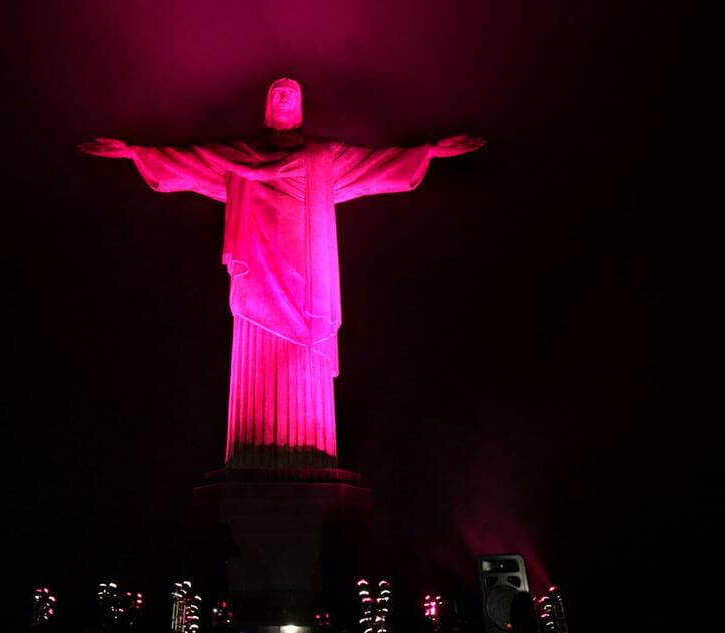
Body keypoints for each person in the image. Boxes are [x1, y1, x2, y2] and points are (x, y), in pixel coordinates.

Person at [80, 78, 484, 468]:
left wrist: (426, 152)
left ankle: (309, 456)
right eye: (278, 92)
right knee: (256, 348)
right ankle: (253, 454)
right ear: (268, 105)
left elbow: (376, 165)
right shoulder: (241, 153)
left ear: (301, 106)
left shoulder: (323, 156)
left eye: (291, 92)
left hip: (307, 277)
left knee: (305, 354)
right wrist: (137, 153)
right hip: (258, 268)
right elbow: (190, 161)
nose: (285, 96)